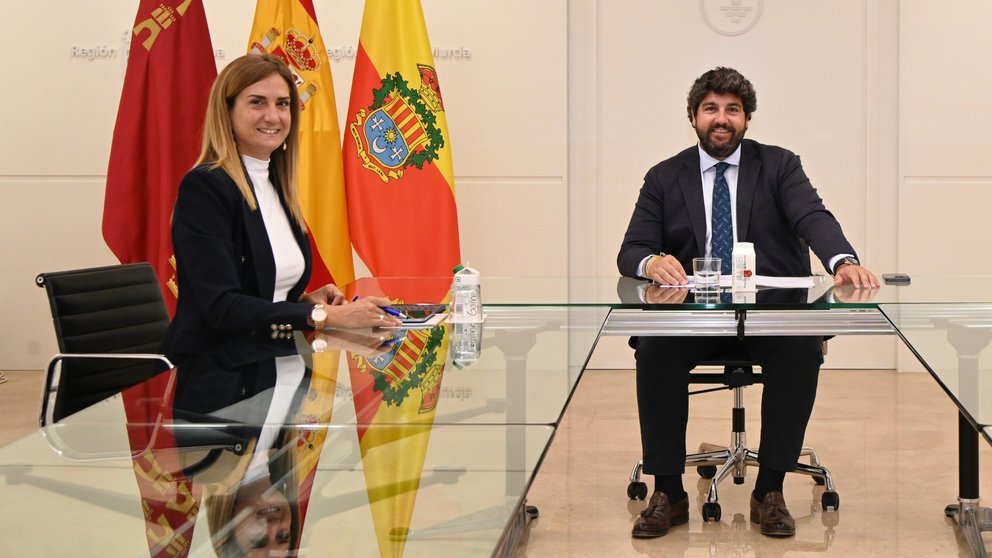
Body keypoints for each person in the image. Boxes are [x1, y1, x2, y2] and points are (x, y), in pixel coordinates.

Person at [617, 67, 879, 539]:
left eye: (732, 110)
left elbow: (813, 216)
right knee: (654, 345)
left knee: (800, 349)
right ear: (693, 117)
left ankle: (771, 489)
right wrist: (653, 261)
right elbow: (630, 250)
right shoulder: (663, 176)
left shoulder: (779, 166)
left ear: (746, 119)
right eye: (711, 109)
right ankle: (668, 492)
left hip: (768, 315)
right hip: (693, 317)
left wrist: (842, 260)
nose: (722, 119)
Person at [162, 53, 400, 360]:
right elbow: (223, 307)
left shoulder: (277, 183)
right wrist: (325, 317)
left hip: (273, 362)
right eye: (257, 102)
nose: (273, 116)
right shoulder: (206, 187)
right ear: (227, 111)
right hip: (217, 374)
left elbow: (259, 291)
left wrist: (303, 302)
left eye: (283, 104)